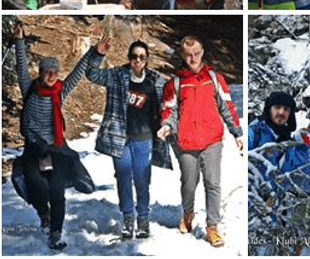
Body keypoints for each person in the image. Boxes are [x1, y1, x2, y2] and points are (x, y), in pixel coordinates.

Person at [13, 22, 98, 250]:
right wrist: (20, 40)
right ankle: (44, 216)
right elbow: (21, 67)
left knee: (57, 189)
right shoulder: (29, 89)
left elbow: (78, 72)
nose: (53, 76)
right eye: (48, 72)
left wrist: (94, 52)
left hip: (56, 147)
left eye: (56, 72)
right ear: (40, 73)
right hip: (34, 148)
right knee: (37, 185)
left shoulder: (60, 91)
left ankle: (56, 232)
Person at [158, 36, 243, 247]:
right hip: (186, 141)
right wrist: (167, 125)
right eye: (188, 55)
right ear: (182, 56)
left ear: (202, 52)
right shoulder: (175, 83)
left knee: (212, 183)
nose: (193, 58)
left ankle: (212, 226)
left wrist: (237, 132)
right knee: (188, 183)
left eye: (196, 53)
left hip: (212, 139)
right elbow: (169, 110)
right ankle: (187, 212)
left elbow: (227, 106)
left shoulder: (213, 78)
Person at [86, 35, 171, 239]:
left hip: (144, 139)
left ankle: (143, 218)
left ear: (147, 59)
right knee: (124, 178)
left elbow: (170, 100)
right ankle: (128, 218)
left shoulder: (155, 80)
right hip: (120, 138)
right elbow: (92, 74)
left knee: (142, 181)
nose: (138, 61)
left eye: (142, 57)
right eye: (134, 56)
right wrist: (99, 53)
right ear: (129, 57)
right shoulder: (117, 75)